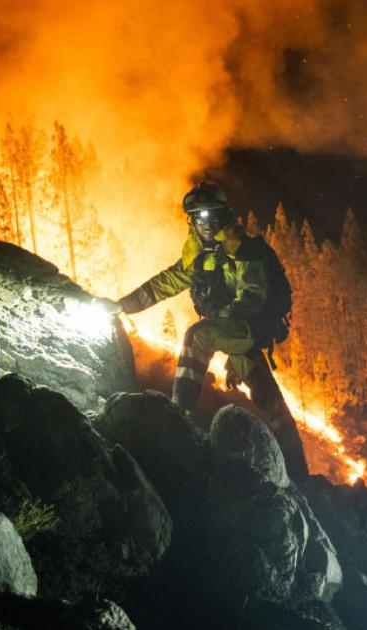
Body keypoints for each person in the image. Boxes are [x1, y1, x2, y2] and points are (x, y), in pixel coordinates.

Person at [114, 182, 308, 481]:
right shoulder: (198, 259)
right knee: (268, 398)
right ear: (192, 220)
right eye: (199, 217)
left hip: (249, 328)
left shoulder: (244, 251)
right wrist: (121, 306)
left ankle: (180, 415)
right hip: (234, 334)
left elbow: (252, 298)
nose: (207, 222)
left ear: (225, 216)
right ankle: (299, 472)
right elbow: (162, 285)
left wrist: (218, 323)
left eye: (213, 215)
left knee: (197, 336)